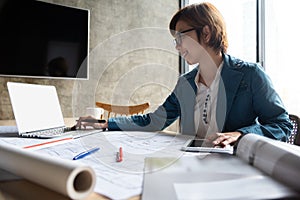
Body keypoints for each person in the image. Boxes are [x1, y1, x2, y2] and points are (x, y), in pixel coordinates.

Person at [76, 2, 292, 147]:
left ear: (206, 33)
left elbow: (282, 125)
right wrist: (106, 124)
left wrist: (241, 134)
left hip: (234, 170)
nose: (177, 46)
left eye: (181, 37)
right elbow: (154, 120)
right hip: (190, 165)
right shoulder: (186, 83)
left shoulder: (250, 75)